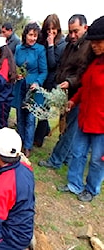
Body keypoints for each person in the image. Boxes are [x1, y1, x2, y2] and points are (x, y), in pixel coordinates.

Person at [57, 16, 104, 202]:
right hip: (85, 118)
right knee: (77, 153)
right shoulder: (94, 63)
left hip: (101, 124)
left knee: (97, 160)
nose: (94, 45)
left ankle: (91, 189)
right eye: (92, 42)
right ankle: (74, 184)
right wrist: (74, 101)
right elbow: (85, 87)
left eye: (99, 42)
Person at [38, 14, 94, 169]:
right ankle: (66, 158)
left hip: (78, 94)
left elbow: (83, 72)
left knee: (70, 129)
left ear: (85, 28)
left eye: (76, 31)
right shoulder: (70, 44)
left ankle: (55, 160)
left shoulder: (89, 47)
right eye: (70, 32)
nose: (73, 35)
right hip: (66, 92)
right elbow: (63, 64)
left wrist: (70, 82)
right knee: (67, 127)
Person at [13, 22, 48, 157]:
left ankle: (28, 146)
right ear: (25, 35)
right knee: (20, 116)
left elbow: (43, 71)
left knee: (30, 118)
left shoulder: (40, 50)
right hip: (20, 86)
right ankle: (20, 142)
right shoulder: (18, 48)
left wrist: (37, 82)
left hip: (33, 88)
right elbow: (15, 66)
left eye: (35, 35)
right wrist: (16, 74)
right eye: (31, 35)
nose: (33, 38)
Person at [34, 14, 67, 147]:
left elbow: (52, 64)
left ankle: (39, 138)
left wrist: (51, 45)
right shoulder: (42, 40)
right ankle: (45, 130)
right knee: (38, 107)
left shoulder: (62, 44)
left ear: (58, 29)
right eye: (48, 29)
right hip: (41, 77)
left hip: (51, 80)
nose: (50, 32)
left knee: (43, 110)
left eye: (53, 29)